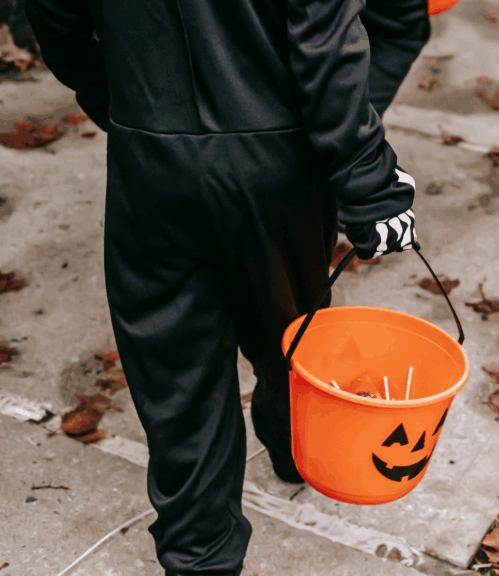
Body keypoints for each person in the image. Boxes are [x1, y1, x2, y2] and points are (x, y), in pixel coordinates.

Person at [24, 0, 431, 573]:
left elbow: (53, 12)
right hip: (277, 158)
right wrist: (368, 178)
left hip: (150, 152)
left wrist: (116, 102)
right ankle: (297, 445)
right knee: (289, 334)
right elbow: (326, 36)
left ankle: (201, 560)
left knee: (178, 383)